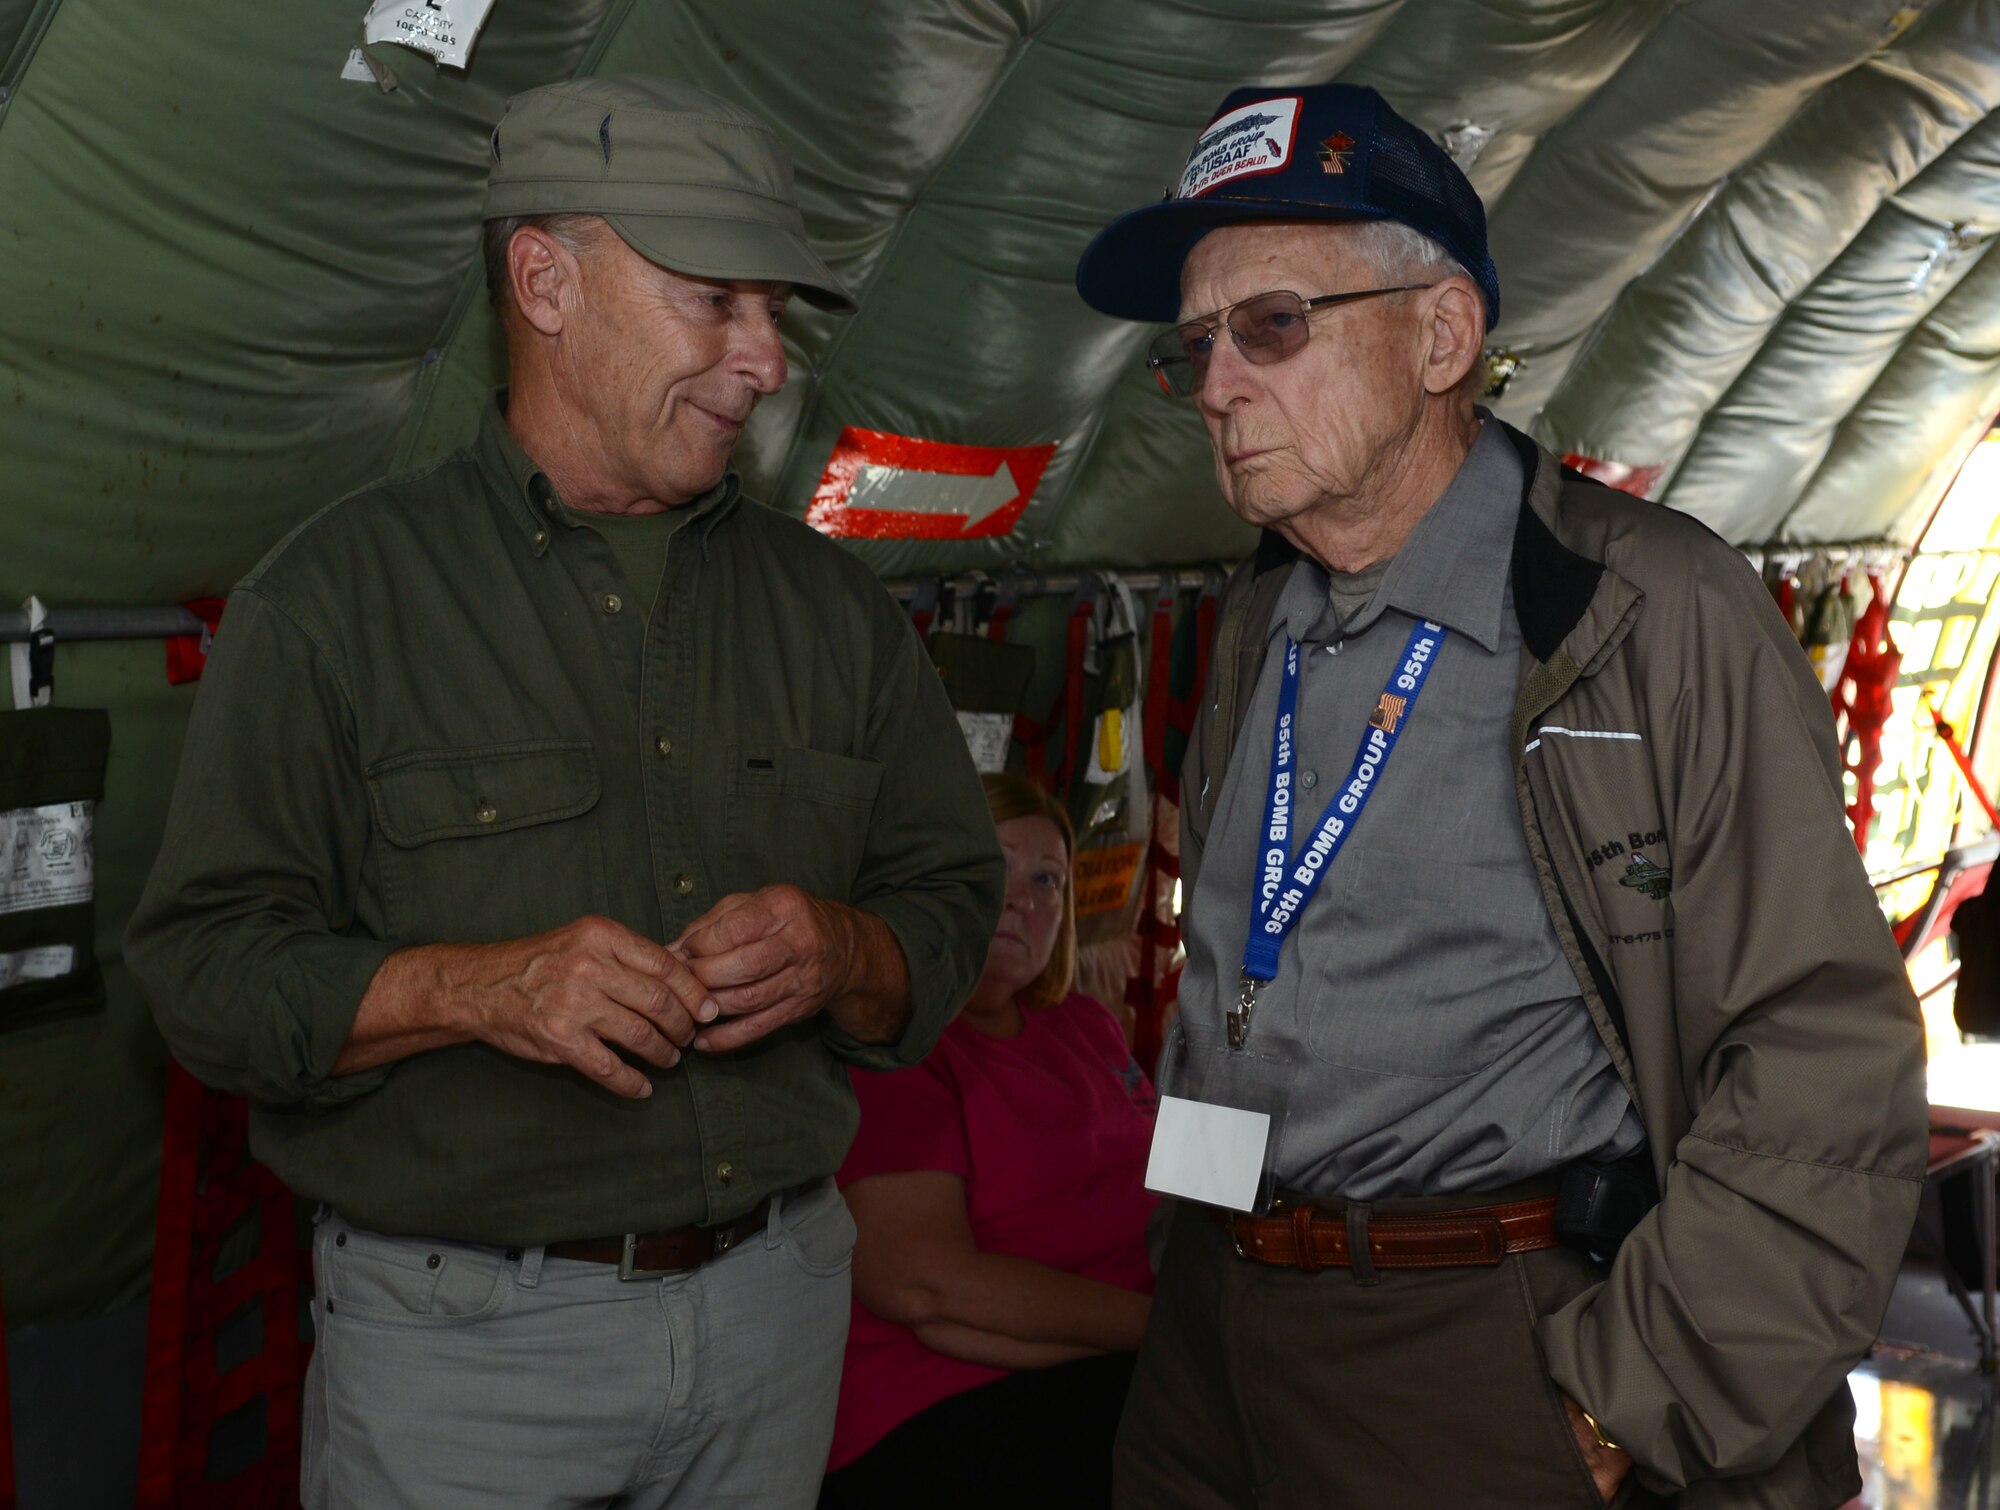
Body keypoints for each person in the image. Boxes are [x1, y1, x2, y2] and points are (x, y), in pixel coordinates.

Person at [126, 77, 1003, 1510]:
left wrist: (849, 951)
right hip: (466, 1356)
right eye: (717, 299)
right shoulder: (334, 604)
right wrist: (479, 987)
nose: (765, 358)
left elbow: (954, 901)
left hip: (776, 1317)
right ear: (543, 281)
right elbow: (208, 977)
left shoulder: (836, 611)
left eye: (774, 310)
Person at [1073, 84, 1928, 1509]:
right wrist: (1191, 1266)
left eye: (1272, 325)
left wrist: (1620, 1405)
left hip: (1490, 1344)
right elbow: (1236, 1003)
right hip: (1217, 1346)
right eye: (1196, 343)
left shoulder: (1640, 613)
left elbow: (1823, 1061)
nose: (1217, 383)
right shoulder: (1253, 630)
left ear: (1440, 334)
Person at [819, 774, 1159, 1510]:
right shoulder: (905, 1045)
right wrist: (1162, 1328)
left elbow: (1185, 1178)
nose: (1022, 901)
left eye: (1047, 880)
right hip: (949, 1404)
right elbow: (926, 1287)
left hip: (1117, 1357)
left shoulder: (1088, 1024)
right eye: (992, 869)